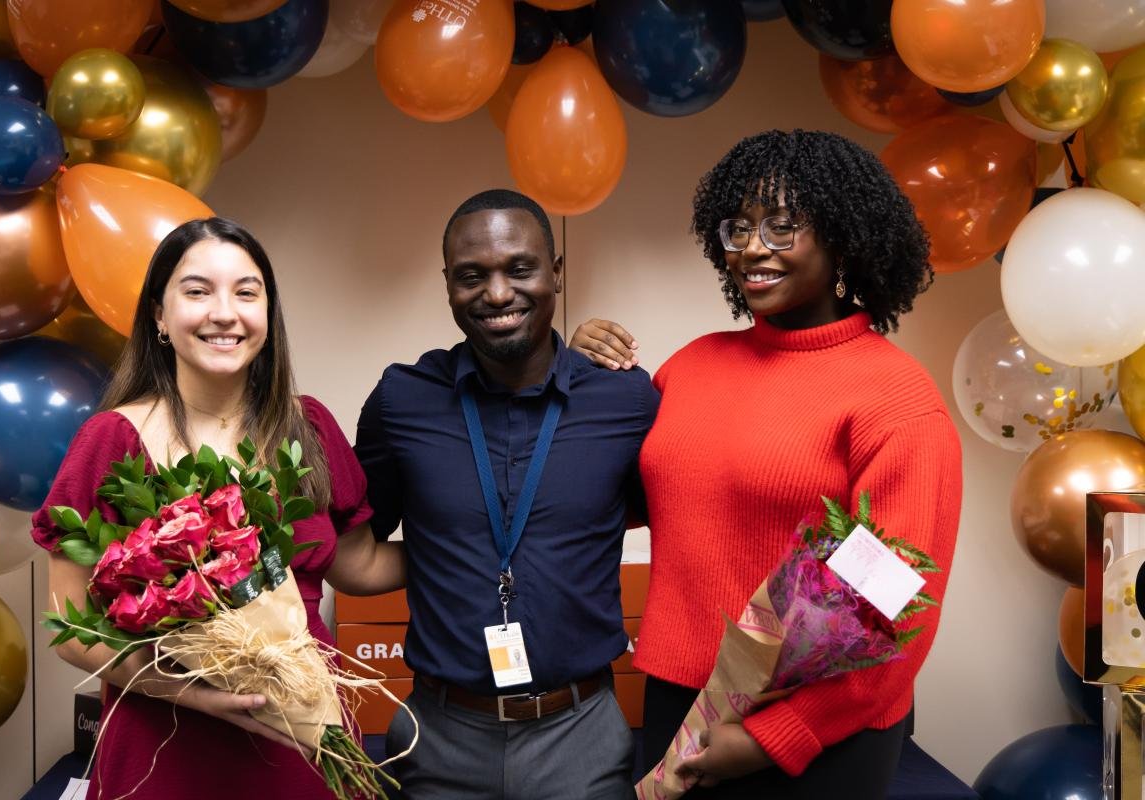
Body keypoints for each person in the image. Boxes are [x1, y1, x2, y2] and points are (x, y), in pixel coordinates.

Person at [570, 129, 963, 798]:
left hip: (820, 734)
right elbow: (620, 502)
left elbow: (901, 609)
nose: (753, 247)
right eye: (739, 226)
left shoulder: (893, 398)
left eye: (784, 228)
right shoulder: (692, 367)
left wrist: (772, 736)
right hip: (677, 704)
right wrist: (579, 379)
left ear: (844, 237)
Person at [32, 217, 406, 799]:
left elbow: (359, 567)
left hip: (304, 738)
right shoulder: (111, 441)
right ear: (159, 314)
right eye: (198, 290)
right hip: (165, 750)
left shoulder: (307, 428)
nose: (224, 313)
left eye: (246, 292)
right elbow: (72, 629)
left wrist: (479, 547)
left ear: (268, 315)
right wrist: (184, 690)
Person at [355, 189, 659, 799]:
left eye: (520, 268)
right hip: (438, 737)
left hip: (582, 738)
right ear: (448, 285)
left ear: (556, 274)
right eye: (472, 276)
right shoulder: (400, 401)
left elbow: (677, 522)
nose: (497, 294)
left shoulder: (626, 401)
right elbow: (357, 547)